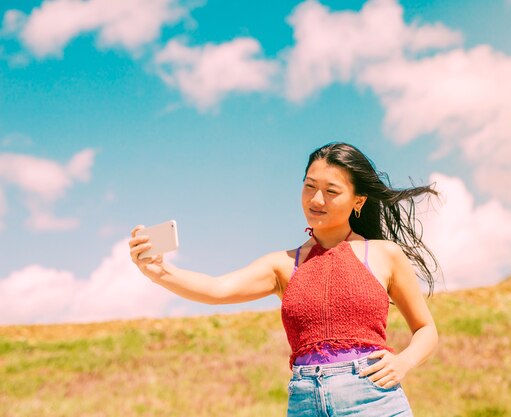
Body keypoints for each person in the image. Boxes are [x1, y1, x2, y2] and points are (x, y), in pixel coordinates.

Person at [129, 142, 440, 416]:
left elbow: (426, 329)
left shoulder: (384, 255)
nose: (316, 199)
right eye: (309, 186)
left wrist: (404, 362)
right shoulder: (283, 265)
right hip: (305, 402)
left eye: (331, 191)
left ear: (358, 201)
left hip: (372, 399)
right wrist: (161, 273)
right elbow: (217, 290)